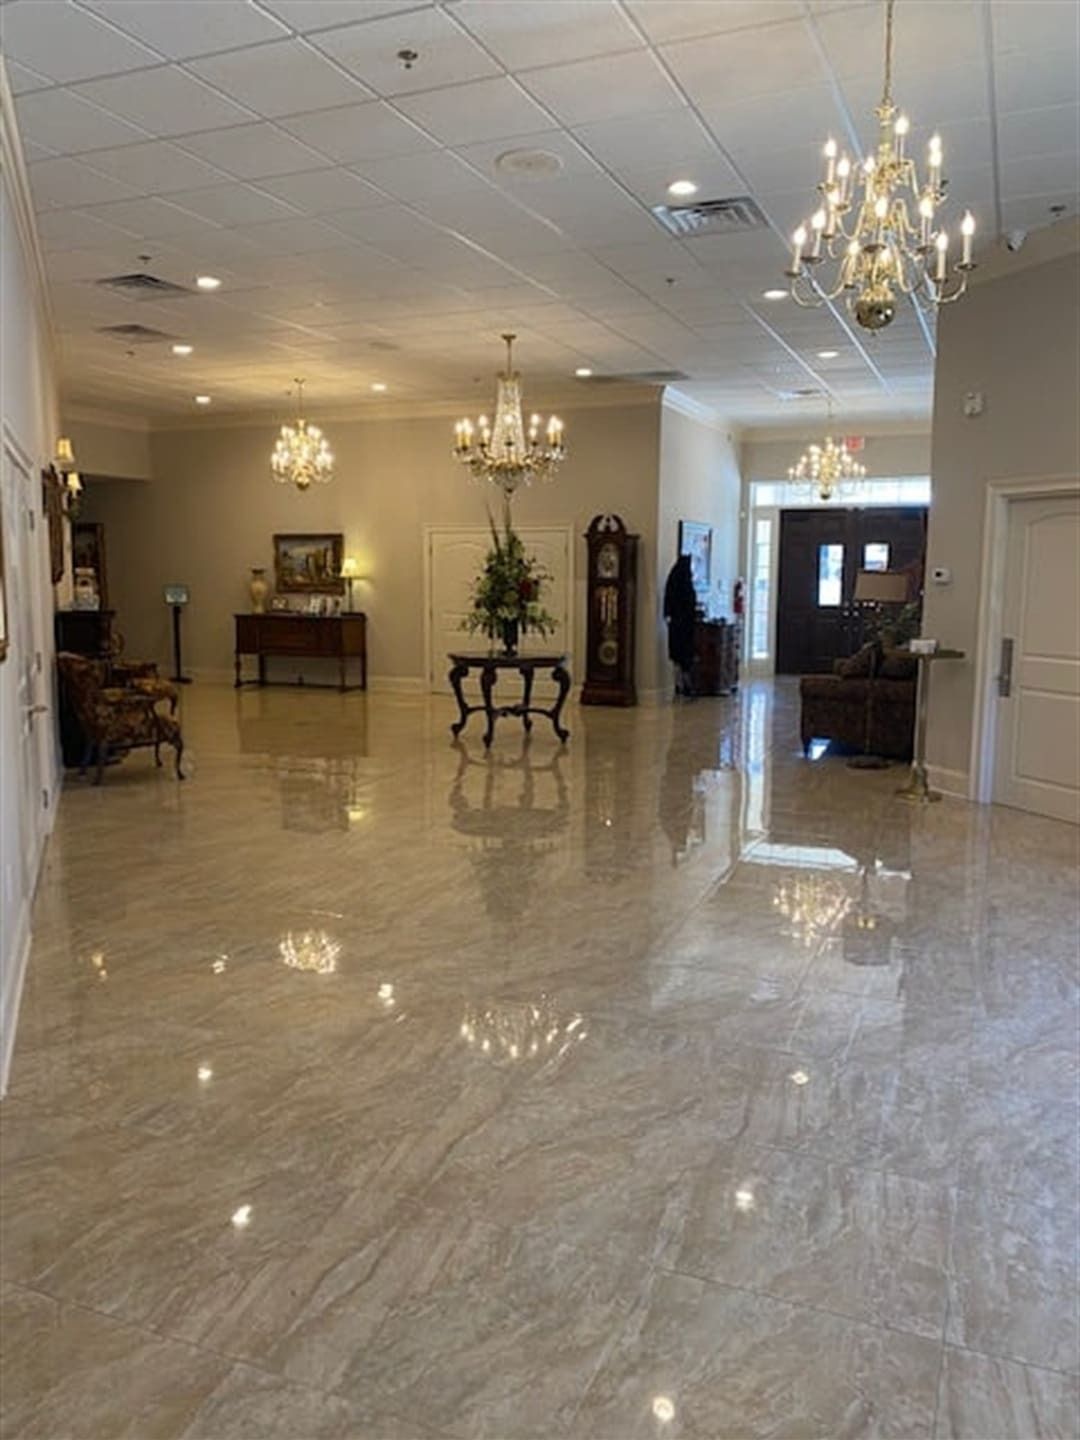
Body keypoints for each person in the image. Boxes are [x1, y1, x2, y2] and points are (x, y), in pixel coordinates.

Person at [663, 554, 698, 698]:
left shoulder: (673, 579)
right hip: (685, 626)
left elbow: (668, 601)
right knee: (684, 657)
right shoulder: (686, 583)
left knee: (677, 657)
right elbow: (690, 603)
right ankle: (685, 685)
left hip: (675, 625)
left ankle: (679, 685)